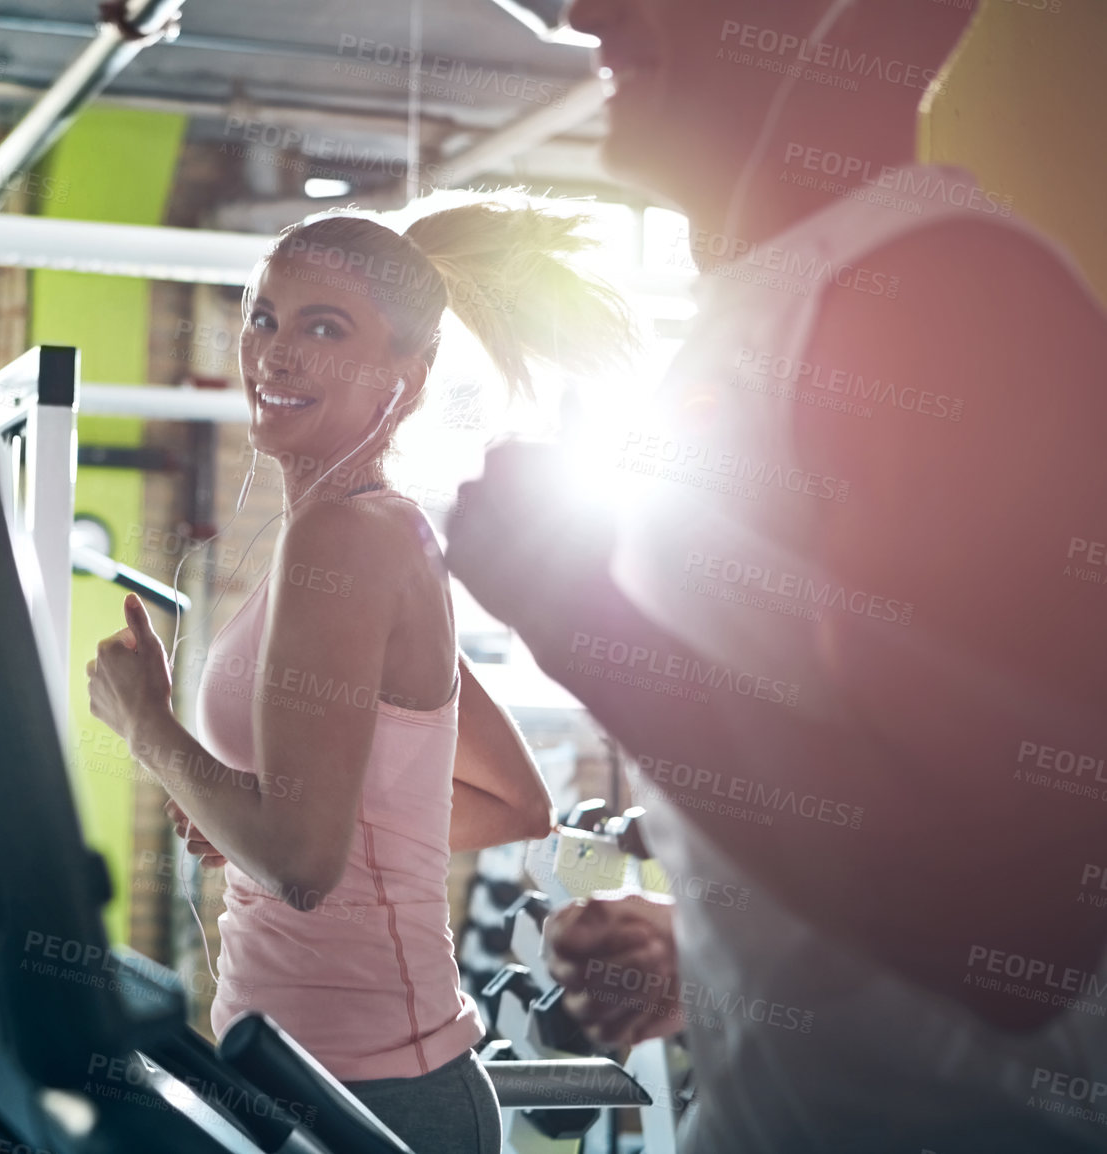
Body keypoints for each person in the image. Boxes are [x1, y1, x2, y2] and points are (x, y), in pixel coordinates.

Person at [446, 0, 1107, 1150]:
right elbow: (857, 790)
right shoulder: (776, 297)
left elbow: (1020, 930)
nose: (580, 12)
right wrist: (709, 952)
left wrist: (584, 623)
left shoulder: (935, 299)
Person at [87, 189, 637, 1153]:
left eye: (324, 328)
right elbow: (512, 803)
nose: (276, 351)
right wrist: (271, 813)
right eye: (264, 316)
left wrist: (147, 728)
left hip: (372, 1092)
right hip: (307, 1068)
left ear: (411, 376)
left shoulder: (348, 541)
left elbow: (299, 861)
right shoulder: (367, 535)